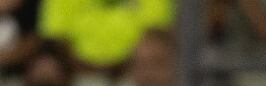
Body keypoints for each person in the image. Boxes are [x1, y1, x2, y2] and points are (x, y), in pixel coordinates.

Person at [38, 0, 171, 71]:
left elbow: (156, 34)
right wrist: (85, 68)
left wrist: (128, 66)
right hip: (77, 76)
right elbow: (56, 37)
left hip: (134, 76)